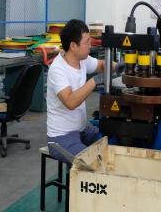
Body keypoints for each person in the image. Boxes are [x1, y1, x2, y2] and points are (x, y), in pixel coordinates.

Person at [47, 19, 124, 164]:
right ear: (73, 46)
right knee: (90, 162)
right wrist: (94, 80)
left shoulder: (82, 60)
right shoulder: (58, 69)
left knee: (115, 139)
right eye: (87, 42)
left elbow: (103, 65)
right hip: (61, 137)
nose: (90, 45)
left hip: (81, 132)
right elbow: (70, 102)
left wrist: (121, 66)